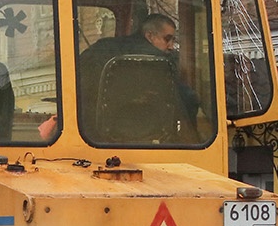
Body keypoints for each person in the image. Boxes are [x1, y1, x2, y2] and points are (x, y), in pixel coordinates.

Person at [76, 11, 205, 134]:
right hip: (143, 132)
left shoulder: (102, 47)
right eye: (167, 39)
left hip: (92, 129)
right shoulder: (159, 62)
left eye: (173, 41)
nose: (171, 46)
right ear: (150, 36)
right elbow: (186, 99)